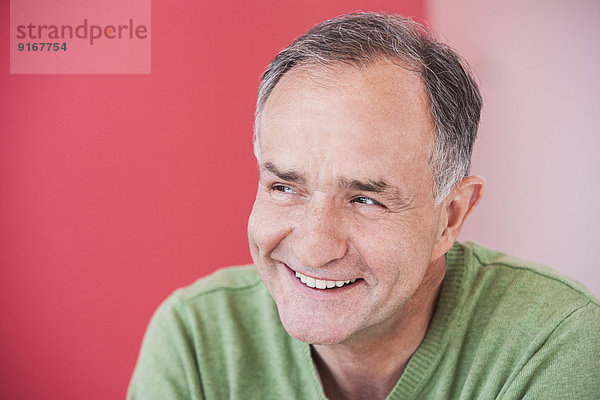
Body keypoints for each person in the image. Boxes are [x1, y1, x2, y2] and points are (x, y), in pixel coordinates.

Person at [127, 12, 600, 400]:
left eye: (366, 199)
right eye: (285, 188)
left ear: (450, 216)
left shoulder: (556, 343)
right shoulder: (195, 338)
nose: (314, 249)